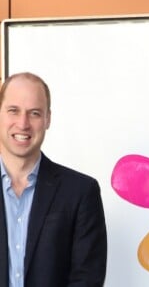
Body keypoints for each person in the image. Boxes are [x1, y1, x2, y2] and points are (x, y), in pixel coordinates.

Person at [0, 72, 107, 287]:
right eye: (13, 111)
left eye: (35, 113)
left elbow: (86, 280)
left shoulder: (81, 192)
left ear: (48, 119)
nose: (23, 123)